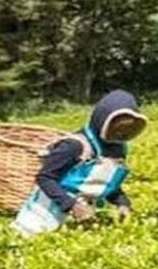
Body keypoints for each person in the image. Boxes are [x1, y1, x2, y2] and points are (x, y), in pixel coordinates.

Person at [13, 90, 147, 236]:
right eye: (117, 129)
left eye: (128, 132)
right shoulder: (74, 146)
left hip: (84, 216)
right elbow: (45, 178)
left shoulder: (117, 149)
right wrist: (71, 205)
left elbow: (106, 184)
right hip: (45, 213)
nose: (121, 135)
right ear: (102, 121)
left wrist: (122, 203)